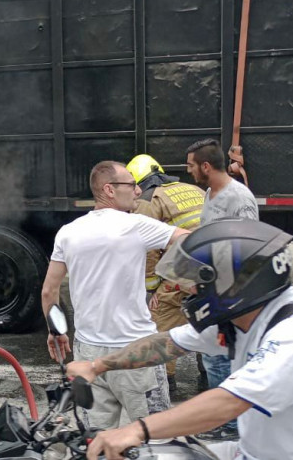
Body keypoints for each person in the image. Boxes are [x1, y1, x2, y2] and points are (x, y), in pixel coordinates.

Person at [69, 219, 293, 460]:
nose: (192, 289)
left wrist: (137, 429)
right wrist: (96, 366)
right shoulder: (244, 317)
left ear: (240, 284)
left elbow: (229, 403)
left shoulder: (286, 336)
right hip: (250, 451)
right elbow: (168, 343)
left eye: (203, 282)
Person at [41, 161, 189, 431]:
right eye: (132, 185)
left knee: (95, 441)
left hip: (87, 353)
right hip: (136, 354)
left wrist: (56, 332)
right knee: (153, 437)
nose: (137, 192)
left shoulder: (68, 232)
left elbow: (49, 291)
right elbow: (189, 240)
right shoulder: (136, 225)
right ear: (109, 189)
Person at [186, 138, 259, 441]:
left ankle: (231, 426)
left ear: (205, 166)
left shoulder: (239, 198)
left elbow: (249, 249)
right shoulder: (208, 194)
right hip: (211, 289)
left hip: (232, 292)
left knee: (224, 357)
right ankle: (227, 422)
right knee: (212, 356)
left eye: (190, 165)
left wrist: (233, 301)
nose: (187, 171)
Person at [126, 154, 205, 394]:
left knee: (161, 317)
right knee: (207, 318)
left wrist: (151, 289)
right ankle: (208, 376)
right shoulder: (192, 188)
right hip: (213, 265)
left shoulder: (148, 201)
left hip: (185, 267)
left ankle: (165, 384)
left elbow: (149, 251)